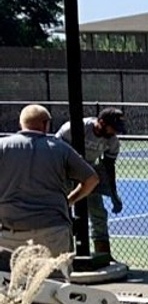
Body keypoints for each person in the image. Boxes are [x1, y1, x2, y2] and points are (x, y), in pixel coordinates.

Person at [0, 104, 99, 265]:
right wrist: (70, 200)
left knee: (11, 285)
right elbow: (91, 179)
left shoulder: (3, 146)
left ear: (21, 124)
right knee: (55, 284)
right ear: (46, 124)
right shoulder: (59, 148)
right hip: (53, 229)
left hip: (10, 231)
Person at [55, 108, 126, 265]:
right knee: (62, 210)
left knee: (98, 213)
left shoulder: (112, 141)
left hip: (88, 174)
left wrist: (113, 193)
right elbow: (55, 151)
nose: (115, 132)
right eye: (112, 128)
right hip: (66, 170)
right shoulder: (74, 128)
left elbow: (109, 166)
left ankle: (104, 255)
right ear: (101, 123)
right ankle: (62, 255)